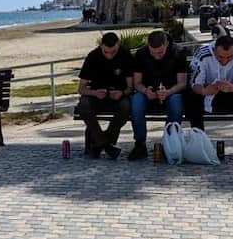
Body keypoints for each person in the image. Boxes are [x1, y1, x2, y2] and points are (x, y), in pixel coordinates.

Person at [186, 35, 233, 161]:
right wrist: (205, 90)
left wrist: (232, 88)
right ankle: (200, 145)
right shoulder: (203, 54)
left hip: (227, 93)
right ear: (214, 50)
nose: (224, 61)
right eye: (220, 57)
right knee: (191, 98)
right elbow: (195, 83)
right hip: (204, 93)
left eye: (229, 57)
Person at [128, 30, 188, 160]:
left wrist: (168, 92)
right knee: (136, 102)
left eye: (160, 53)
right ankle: (140, 144)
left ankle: (170, 142)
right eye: (153, 53)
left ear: (166, 44)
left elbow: (182, 83)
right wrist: (145, 91)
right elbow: (137, 83)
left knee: (176, 103)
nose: (157, 56)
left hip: (171, 91)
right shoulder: (141, 54)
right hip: (147, 92)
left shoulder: (179, 52)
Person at [76, 32, 133, 160]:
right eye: (106, 52)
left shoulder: (125, 55)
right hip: (96, 95)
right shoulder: (93, 56)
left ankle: (99, 144)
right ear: (101, 46)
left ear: (118, 45)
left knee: (125, 107)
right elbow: (81, 88)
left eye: (113, 52)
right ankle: (106, 145)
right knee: (84, 105)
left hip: (118, 95)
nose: (109, 56)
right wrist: (94, 93)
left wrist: (122, 93)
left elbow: (130, 87)